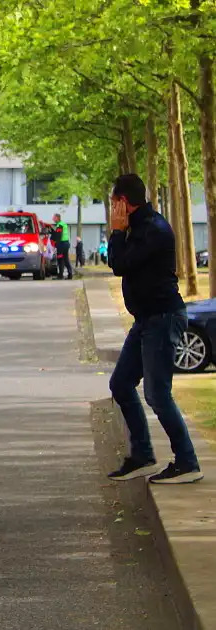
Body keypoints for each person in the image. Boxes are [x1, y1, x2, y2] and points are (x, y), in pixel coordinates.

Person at [106, 174, 202, 484]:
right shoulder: (140, 227)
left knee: (157, 393)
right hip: (145, 319)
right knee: (121, 384)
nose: (111, 211)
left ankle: (187, 462)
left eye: (113, 203)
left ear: (123, 203)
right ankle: (143, 456)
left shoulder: (154, 230)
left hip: (163, 318)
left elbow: (120, 264)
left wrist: (117, 233)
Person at [51, 213, 73, 279]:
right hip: (66, 243)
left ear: (57, 218)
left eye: (54, 217)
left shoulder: (60, 225)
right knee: (66, 259)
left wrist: (55, 244)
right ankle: (70, 274)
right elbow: (57, 233)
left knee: (60, 260)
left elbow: (59, 235)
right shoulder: (63, 224)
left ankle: (60, 275)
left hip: (61, 244)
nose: (52, 219)